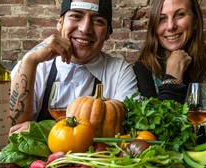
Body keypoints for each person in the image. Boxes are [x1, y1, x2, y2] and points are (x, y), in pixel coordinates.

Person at [9, 0, 138, 133]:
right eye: (76, 16)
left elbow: (126, 130)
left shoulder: (120, 71)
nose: (85, 28)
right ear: (60, 23)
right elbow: (14, 131)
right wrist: (30, 61)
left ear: (107, 33)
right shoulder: (34, 66)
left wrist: (44, 129)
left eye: (98, 20)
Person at [133, 0, 206, 141]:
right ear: (154, 26)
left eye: (180, 15)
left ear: (195, 22)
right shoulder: (143, 69)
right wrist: (173, 74)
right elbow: (156, 137)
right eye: (162, 18)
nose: (171, 26)